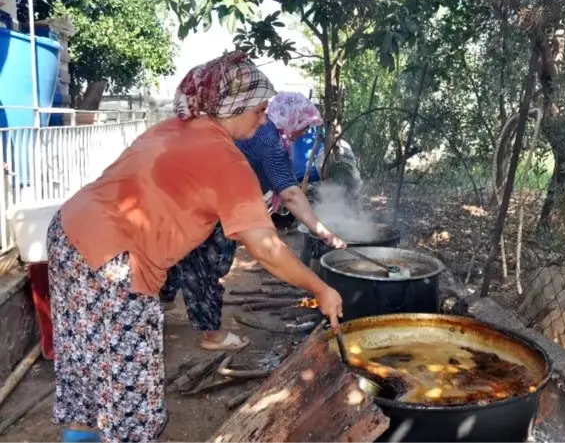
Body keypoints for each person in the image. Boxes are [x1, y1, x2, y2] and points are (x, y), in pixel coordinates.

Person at [47, 52, 343, 443]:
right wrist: (320, 288)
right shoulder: (227, 160)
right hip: (113, 264)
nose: (262, 118)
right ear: (232, 108)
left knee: (84, 364)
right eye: (258, 109)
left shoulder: (171, 128)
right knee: (131, 395)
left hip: (67, 233)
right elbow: (267, 248)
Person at [160, 91, 346, 350]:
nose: (303, 133)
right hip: (214, 208)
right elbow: (290, 194)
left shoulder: (266, 131)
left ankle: (162, 304)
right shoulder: (269, 140)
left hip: (192, 199)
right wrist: (321, 229)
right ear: (289, 119)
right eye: (303, 126)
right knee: (207, 266)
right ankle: (211, 334)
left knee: (182, 256)